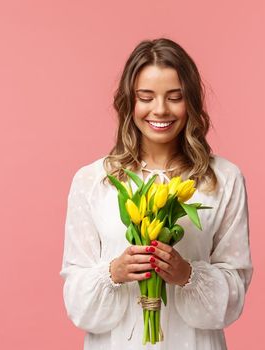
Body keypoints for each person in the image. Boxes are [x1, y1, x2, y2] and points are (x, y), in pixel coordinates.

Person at [59, 38, 253, 349]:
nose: (160, 110)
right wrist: (114, 271)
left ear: (190, 101)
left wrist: (186, 273)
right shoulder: (93, 181)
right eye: (146, 97)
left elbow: (234, 293)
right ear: (129, 102)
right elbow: (76, 301)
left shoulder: (222, 179)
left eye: (175, 97)